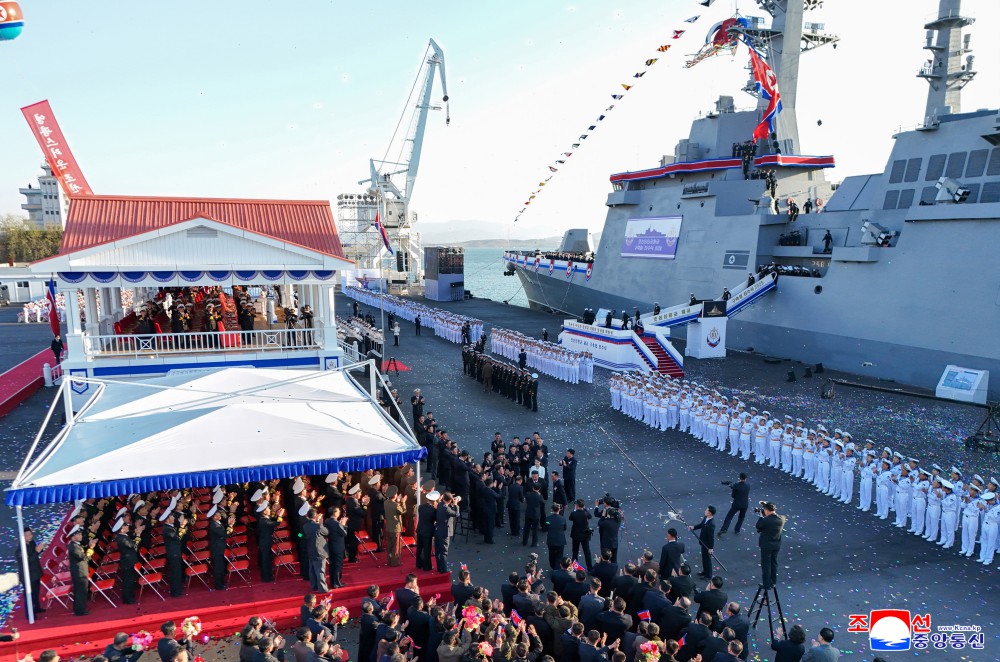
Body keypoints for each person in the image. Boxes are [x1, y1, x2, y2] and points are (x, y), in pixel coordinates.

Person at [755, 502, 784, 590]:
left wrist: (761, 516)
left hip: (767, 545)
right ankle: (773, 582)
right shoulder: (781, 518)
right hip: (776, 544)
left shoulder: (766, 520)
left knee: (766, 564)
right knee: (773, 563)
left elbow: (758, 526)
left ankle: (766, 584)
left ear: (767, 510)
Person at [16, 527, 45, 615]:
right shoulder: (20, 550)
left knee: (36, 593)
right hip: (28, 576)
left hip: (36, 573)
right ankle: (30, 614)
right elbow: (28, 560)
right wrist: (37, 551)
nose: (30, 537)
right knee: (29, 595)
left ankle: (37, 608)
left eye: (30, 534)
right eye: (27, 535)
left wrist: (39, 549)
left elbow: (35, 553)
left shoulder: (32, 543)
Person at [67, 525, 92, 616]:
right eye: (79, 534)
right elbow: (83, 557)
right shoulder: (73, 546)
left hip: (80, 571)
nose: (81, 536)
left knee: (81, 590)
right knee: (81, 591)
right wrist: (90, 550)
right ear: (73, 537)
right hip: (79, 572)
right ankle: (80, 610)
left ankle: (80, 608)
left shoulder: (76, 544)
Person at [689, 506, 717, 579]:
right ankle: (705, 571)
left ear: (710, 513)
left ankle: (708, 576)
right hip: (703, 542)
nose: (705, 511)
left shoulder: (711, 524)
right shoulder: (706, 518)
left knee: (707, 560)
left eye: (706, 510)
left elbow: (711, 537)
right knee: (704, 558)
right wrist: (693, 527)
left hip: (707, 544)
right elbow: (701, 525)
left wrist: (710, 548)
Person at [569, 500, 593, 572]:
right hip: (585, 535)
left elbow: (570, 518)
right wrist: (584, 509)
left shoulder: (574, 513)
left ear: (577, 506)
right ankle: (590, 568)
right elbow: (590, 516)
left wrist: (575, 510)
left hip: (576, 535)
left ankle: (575, 567)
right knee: (587, 552)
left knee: (575, 552)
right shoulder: (586, 513)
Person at [546, 504, 567, 570]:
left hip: (551, 540)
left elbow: (546, 527)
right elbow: (565, 528)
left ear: (552, 510)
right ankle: (557, 568)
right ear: (559, 510)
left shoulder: (548, 519)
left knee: (551, 554)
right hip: (560, 540)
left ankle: (553, 566)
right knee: (559, 555)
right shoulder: (563, 519)